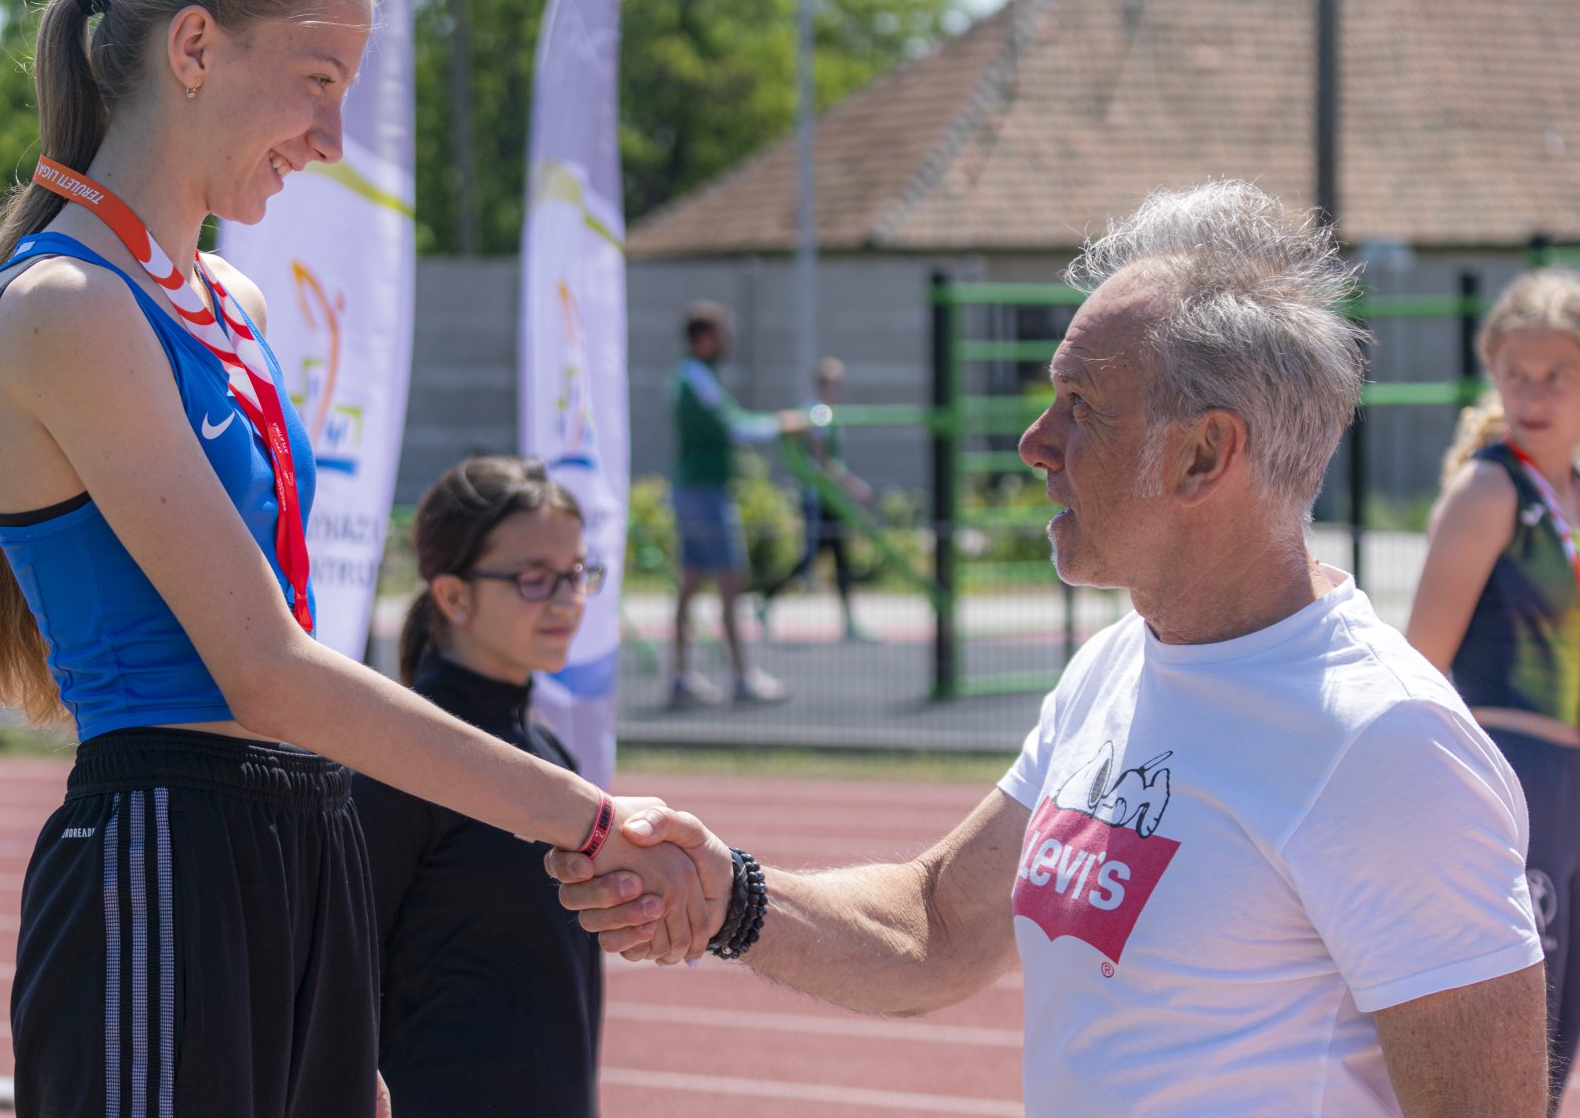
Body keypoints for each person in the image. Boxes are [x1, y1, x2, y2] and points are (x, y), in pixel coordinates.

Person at [0, 0, 722, 1117]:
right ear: (193, 47)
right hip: (163, 862)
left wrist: (332, 976)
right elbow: (268, 669)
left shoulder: (235, 306)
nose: (332, 140)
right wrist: (588, 816)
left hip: (305, 848)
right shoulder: (69, 309)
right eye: (318, 78)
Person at [555, 182, 1550, 1118]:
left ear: (1206, 454)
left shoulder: (1385, 744)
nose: (1035, 441)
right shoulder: (1119, 664)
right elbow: (939, 925)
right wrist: (731, 892)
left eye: (1082, 408)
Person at [352, 458, 606, 1117]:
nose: (567, 598)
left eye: (577, 573)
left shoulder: (549, 753)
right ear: (454, 595)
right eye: (533, 577)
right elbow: (338, 974)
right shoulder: (403, 757)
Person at [1408, 267, 1580, 1109]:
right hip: (1514, 778)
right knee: (1521, 1036)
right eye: (1517, 372)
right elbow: (1418, 660)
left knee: (1562, 1042)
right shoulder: (1489, 490)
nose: (1534, 392)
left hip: (1577, 791)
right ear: (1493, 371)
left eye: (1559, 374)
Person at [667, 300, 800, 707]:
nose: (729, 341)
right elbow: (734, 427)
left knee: (691, 584)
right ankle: (741, 676)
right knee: (730, 580)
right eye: (723, 333)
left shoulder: (691, 377)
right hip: (705, 492)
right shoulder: (697, 379)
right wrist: (781, 424)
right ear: (705, 337)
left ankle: (681, 675)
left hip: (694, 489)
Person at [757, 356, 871, 642]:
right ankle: (766, 601)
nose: (839, 389)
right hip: (819, 498)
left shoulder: (826, 412)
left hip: (829, 496)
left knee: (840, 559)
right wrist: (852, 485)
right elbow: (821, 460)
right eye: (835, 384)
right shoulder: (819, 412)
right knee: (808, 560)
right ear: (823, 385)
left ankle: (849, 622)